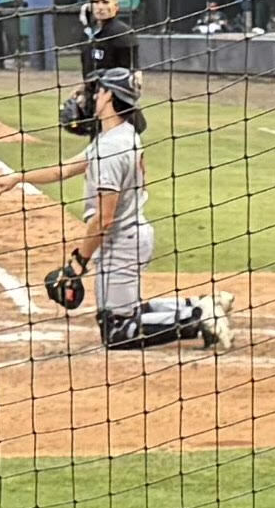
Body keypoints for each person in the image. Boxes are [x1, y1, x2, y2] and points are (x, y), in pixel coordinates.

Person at [58, 69, 220, 351]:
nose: (93, 96)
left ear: (108, 96)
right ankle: (198, 305)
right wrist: (17, 178)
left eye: (99, 91)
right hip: (132, 235)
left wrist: (78, 262)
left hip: (122, 241)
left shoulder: (111, 150)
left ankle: (198, 318)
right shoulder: (122, 134)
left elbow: (104, 219)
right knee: (123, 312)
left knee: (118, 330)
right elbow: (67, 168)